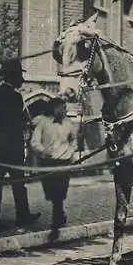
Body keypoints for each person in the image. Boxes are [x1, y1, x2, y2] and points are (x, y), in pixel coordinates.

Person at [0, 59, 41, 231]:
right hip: (13, 148)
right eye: (19, 75)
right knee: (19, 183)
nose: (21, 79)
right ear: (14, 76)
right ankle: (22, 216)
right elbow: (21, 120)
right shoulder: (16, 97)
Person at [30, 97, 78, 231]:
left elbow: (74, 141)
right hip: (48, 162)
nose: (65, 110)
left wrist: (71, 150)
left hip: (64, 163)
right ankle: (60, 214)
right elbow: (34, 142)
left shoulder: (69, 123)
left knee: (60, 191)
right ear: (55, 108)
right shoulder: (43, 123)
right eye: (63, 107)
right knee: (51, 192)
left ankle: (57, 219)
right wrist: (43, 151)